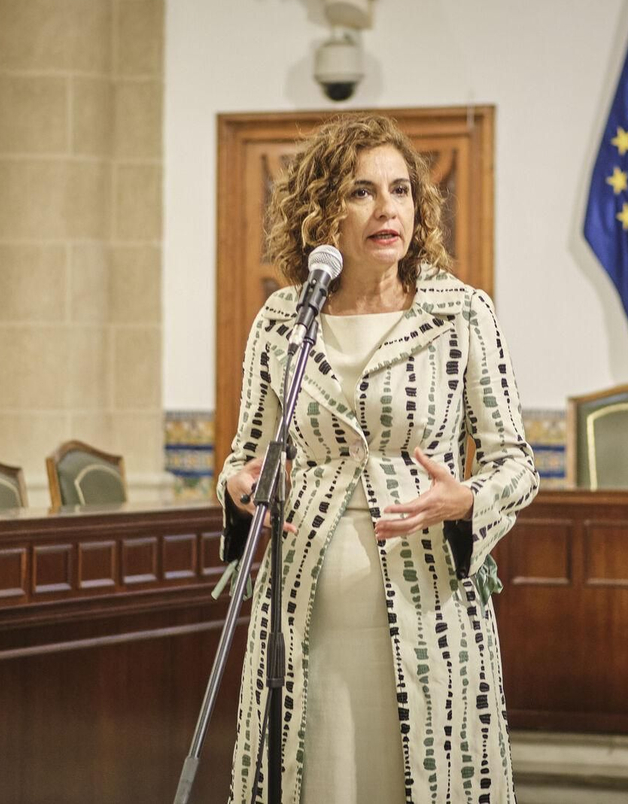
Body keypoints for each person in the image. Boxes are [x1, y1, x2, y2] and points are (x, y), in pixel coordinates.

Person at [217, 113, 539, 803]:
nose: (386, 208)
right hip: (302, 610)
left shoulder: (461, 313)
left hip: (429, 606)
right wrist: (241, 486)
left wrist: (468, 500)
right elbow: (245, 456)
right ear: (321, 212)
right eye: (361, 191)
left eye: (400, 190)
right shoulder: (282, 319)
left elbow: (517, 462)